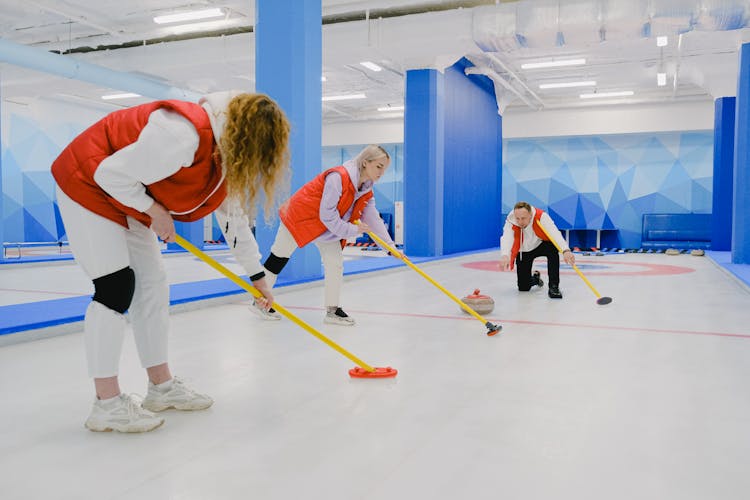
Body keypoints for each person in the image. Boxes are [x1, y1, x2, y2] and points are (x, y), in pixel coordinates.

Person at [51, 91, 290, 433]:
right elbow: (110, 174)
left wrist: (258, 277)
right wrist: (154, 211)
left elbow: (233, 221)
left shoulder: (227, 157)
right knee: (115, 286)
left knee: (153, 287)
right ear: (246, 138)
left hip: (127, 197)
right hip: (86, 181)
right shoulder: (181, 135)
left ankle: (160, 388)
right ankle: (106, 403)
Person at [251, 144, 402, 326]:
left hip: (326, 228)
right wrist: (354, 230)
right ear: (365, 163)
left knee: (335, 264)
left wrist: (390, 246)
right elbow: (327, 215)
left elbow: (373, 218)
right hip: (300, 217)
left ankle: (333, 310)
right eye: (379, 167)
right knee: (278, 257)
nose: (382, 172)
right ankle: (259, 301)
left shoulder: (366, 189)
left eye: (384, 168)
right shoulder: (338, 177)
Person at [498, 201, 575, 299]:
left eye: (523, 218)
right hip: (524, 250)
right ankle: (535, 278)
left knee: (553, 248)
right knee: (523, 287)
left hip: (540, 244)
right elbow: (507, 236)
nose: (520, 222)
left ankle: (554, 286)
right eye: (518, 218)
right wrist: (505, 255)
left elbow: (554, 232)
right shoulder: (511, 219)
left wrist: (565, 250)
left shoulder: (541, 216)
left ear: (530, 215)